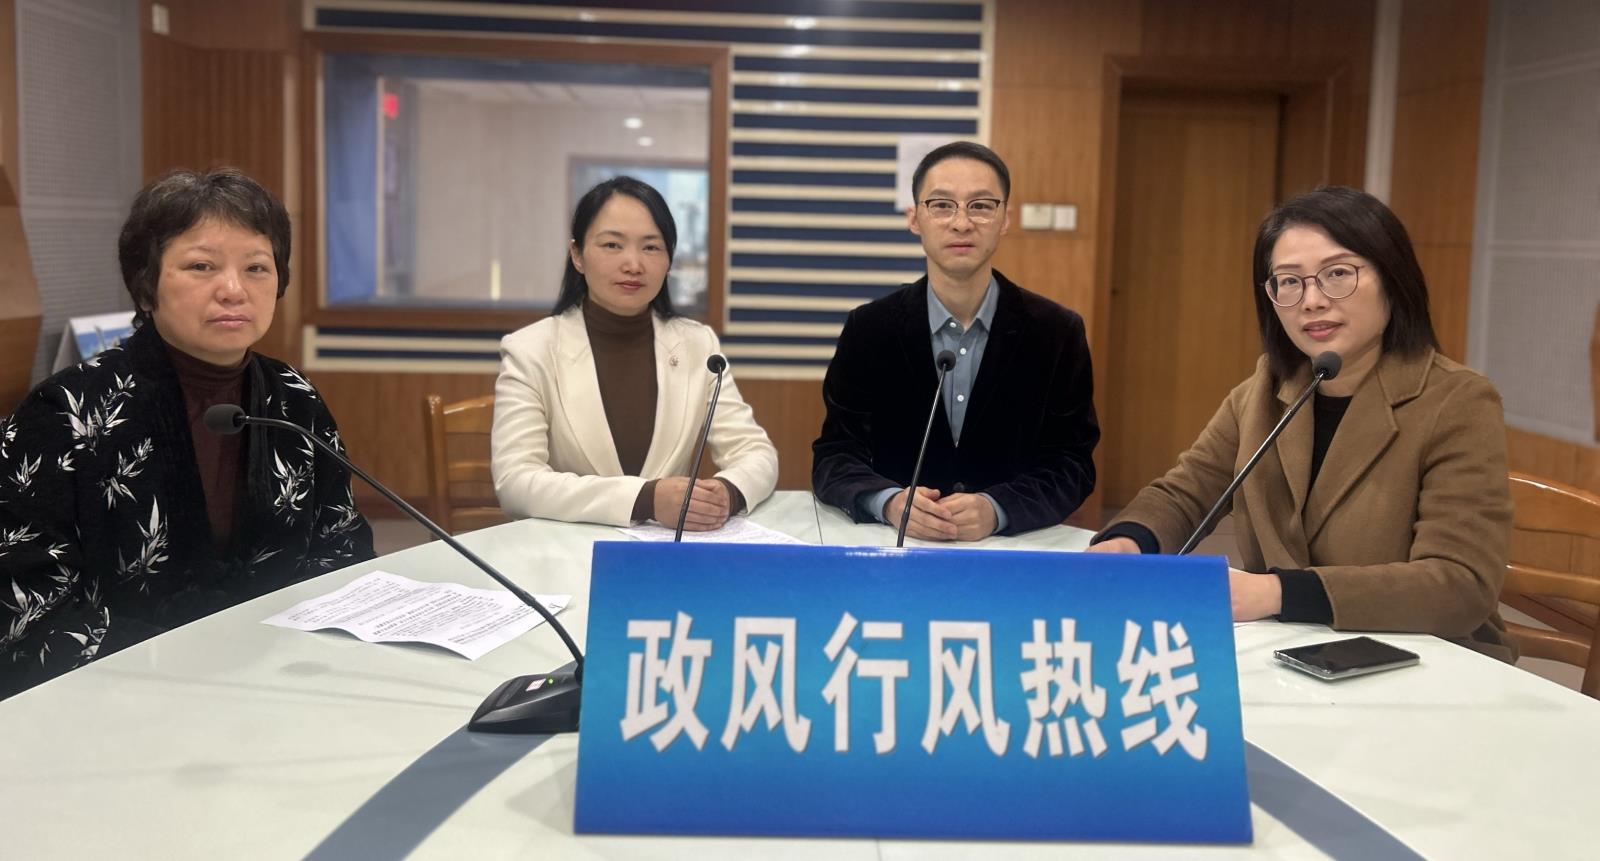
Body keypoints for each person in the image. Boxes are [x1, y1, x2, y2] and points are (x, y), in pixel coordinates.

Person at [1088, 186, 1514, 660]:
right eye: (1289, 281)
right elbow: (1186, 492)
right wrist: (1129, 542)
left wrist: (1276, 593)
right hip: (1293, 652)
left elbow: (1460, 584)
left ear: (1393, 278)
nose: (1311, 300)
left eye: (1338, 274)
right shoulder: (1266, 389)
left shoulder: (1457, 401)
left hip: (1427, 659)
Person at [0, 168, 374, 698]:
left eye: (257, 267)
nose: (233, 290)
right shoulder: (66, 413)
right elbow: (27, 609)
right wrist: (196, 672)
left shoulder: (293, 398)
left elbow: (341, 548)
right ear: (146, 286)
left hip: (282, 687)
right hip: (120, 700)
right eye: (201, 266)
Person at [812, 142, 1099, 540]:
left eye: (980, 206)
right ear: (914, 218)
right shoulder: (869, 328)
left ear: (1005, 219)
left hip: (1014, 550)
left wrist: (997, 509)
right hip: (894, 547)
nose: (962, 223)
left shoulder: (1056, 332)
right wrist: (889, 502)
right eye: (942, 205)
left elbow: (1072, 465)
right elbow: (835, 455)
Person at [492, 176, 777, 529]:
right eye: (612, 245)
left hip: (666, 550)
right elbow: (516, 482)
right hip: (569, 548)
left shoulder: (698, 344)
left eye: (651, 247)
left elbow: (755, 452)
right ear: (577, 255)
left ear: (669, 259)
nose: (633, 264)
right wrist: (645, 499)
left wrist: (726, 493)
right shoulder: (530, 350)